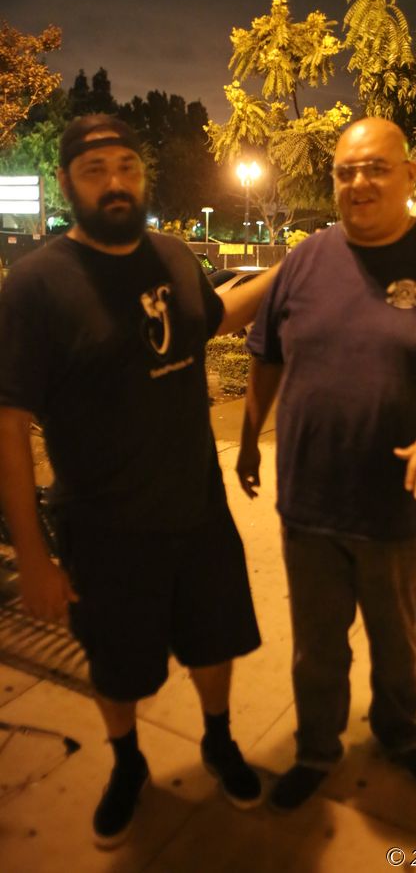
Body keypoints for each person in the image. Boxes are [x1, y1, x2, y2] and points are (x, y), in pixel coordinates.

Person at [0, 114, 278, 848]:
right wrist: (34, 555)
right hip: (103, 528)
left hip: (197, 508)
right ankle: (127, 763)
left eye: (126, 165)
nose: (115, 182)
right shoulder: (35, 285)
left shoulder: (174, 256)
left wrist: (291, 270)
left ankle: (218, 741)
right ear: (67, 183)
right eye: (95, 171)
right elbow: (8, 424)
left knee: (214, 642)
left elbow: (213, 319)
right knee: (117, 666)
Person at [236, 117, 416, 811]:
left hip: (404, 511)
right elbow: (265, 357)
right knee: (316, 649)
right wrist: (247, 440)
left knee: (398, 642)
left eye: (375, 168)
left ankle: (399, 733)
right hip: (310, 506)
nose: (359, 183)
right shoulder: (305, 260)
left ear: (408, 175)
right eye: (346, 171)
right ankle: (316, 748)